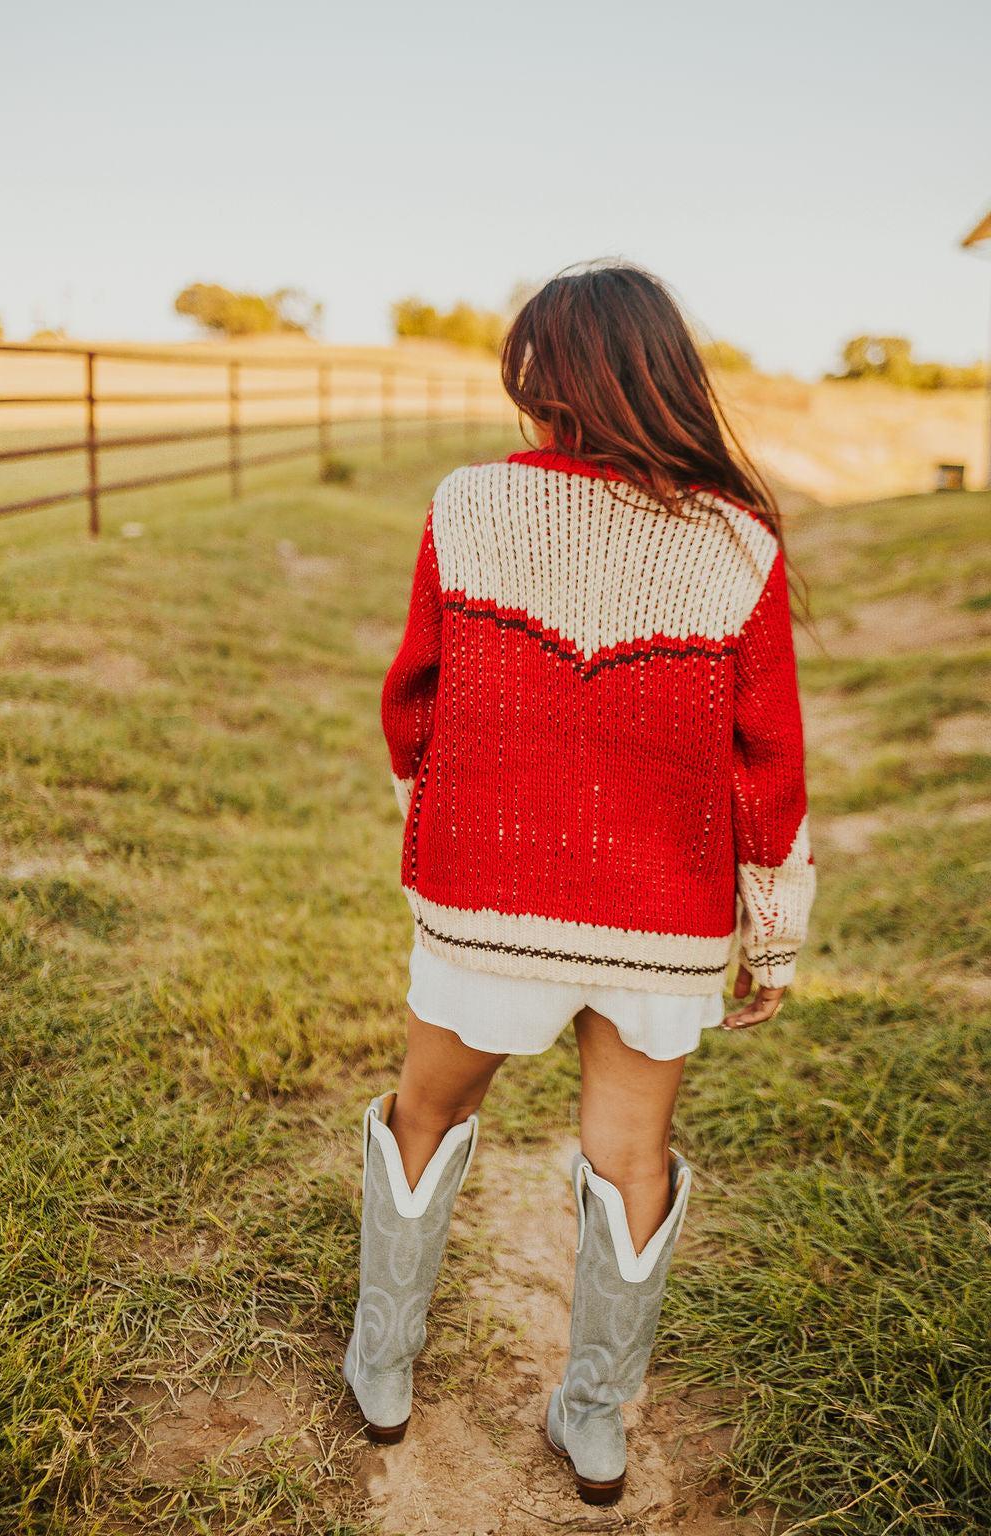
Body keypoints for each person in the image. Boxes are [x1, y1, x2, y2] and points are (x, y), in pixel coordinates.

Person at [342, 261, 815, 1506]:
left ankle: (381, 1367)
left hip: (484, 896)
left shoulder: (468, 505)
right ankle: (594, 1423)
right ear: (666, 378)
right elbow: (768, 761)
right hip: (659, 918)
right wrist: (771, 935)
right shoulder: (738, 541)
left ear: (539, 379)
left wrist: (435, 818)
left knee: (425, 1110)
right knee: (629, 1153)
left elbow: (412, 701)